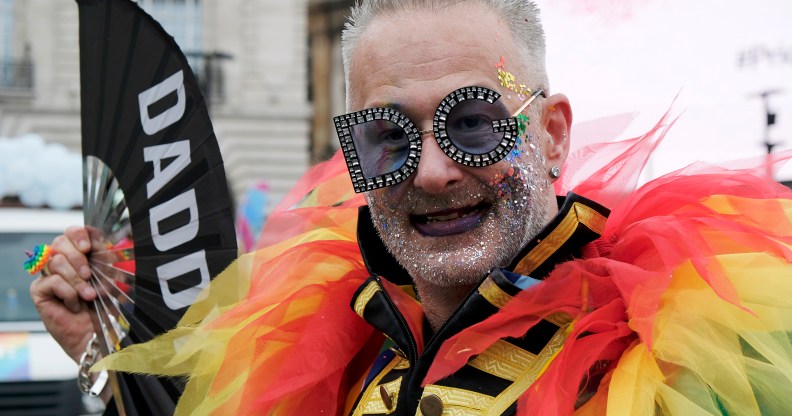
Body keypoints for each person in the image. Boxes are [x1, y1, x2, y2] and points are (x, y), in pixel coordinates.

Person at [30, 0, 792, 415]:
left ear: (552, 135)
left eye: (474, 124)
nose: (430, 173)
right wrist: (101, 355)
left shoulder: (677, 356)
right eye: (386, 136)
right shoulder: (330, 345)